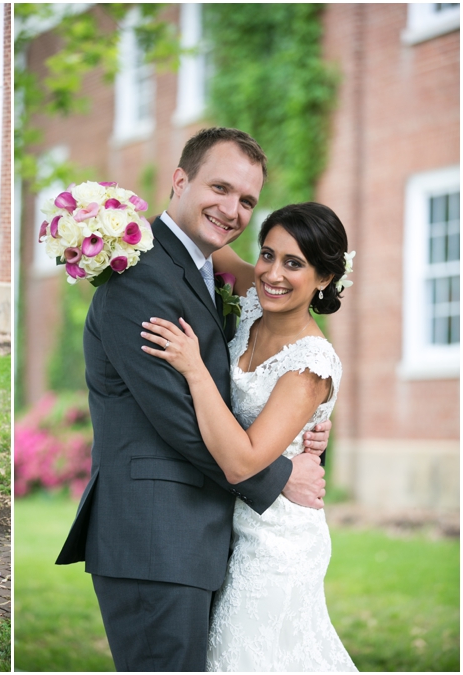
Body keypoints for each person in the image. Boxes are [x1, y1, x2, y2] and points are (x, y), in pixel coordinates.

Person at [55, 128, 331, 671]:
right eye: (220, 188)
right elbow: (178, 419)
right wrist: (280, 474)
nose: (232, 210)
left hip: (195, 537)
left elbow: (285, 337)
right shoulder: (141, 278)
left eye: (247, 200)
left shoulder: (204, 271)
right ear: (180, 180)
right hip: (156, 538)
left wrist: (305, 421)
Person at [140, 202, 357, 671]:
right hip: (228, 525)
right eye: (267, 254)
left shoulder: (309, 366)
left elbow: (243, 463)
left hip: (277, 544)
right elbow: (195, 235)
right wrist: (114, 219)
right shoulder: (257, 299)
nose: (272, 273)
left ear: (323, 278)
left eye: (294, 263)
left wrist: (194, 368)